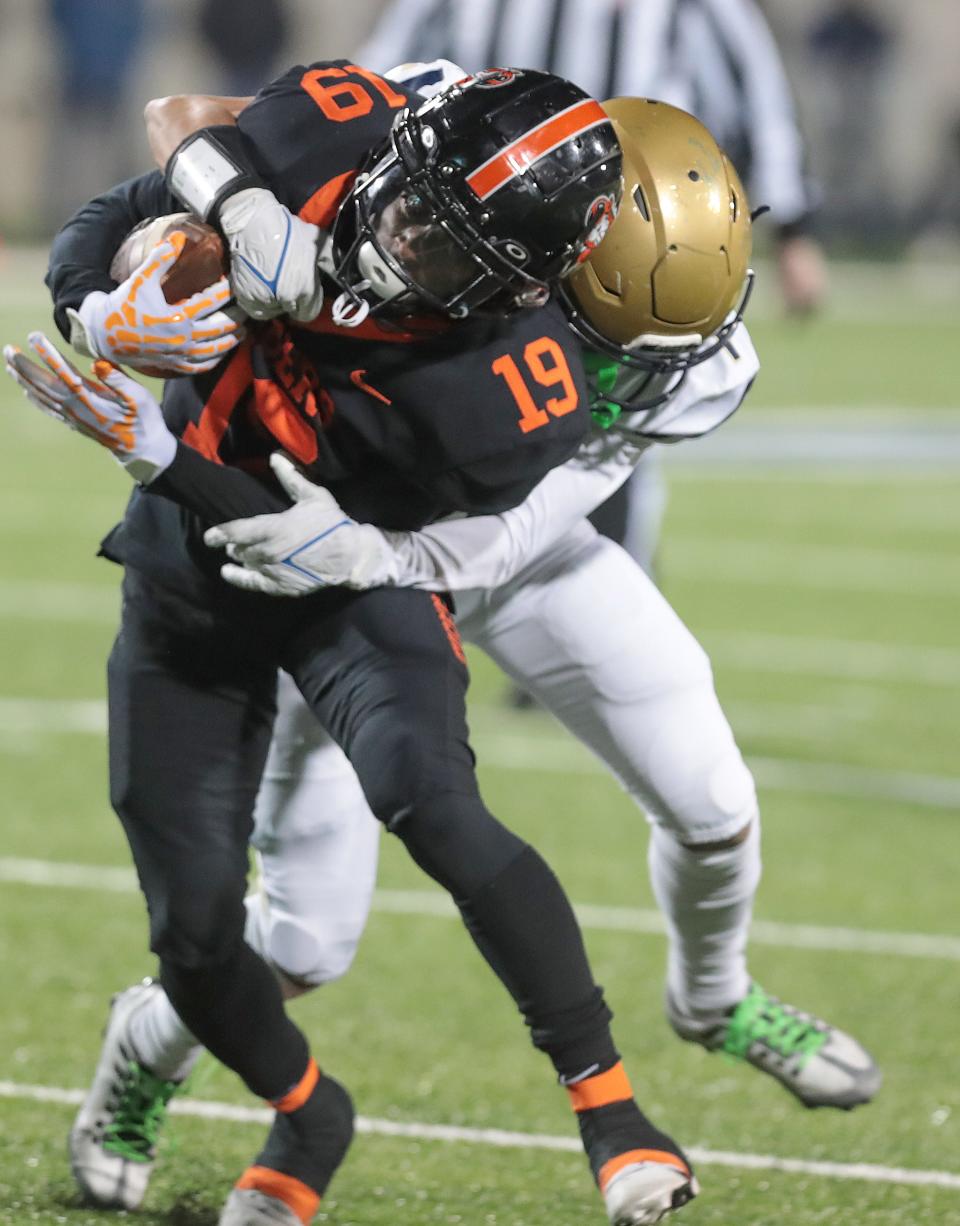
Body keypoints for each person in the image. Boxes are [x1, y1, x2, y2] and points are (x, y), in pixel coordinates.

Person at [10, 90, 879, 1221]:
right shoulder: (460, 174)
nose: (623, 368)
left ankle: (713, 998)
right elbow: (191, 135)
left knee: (713, 795)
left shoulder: (666, 354)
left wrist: (364, 546)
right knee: (304, 936)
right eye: (598, 331)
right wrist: (195, 237)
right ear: (556, 263)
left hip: (485, 551)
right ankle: (150, 1043)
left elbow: (510, 526)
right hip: (324, 543)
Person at [357, 0, 826, 582]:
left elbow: (754, 87)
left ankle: (572, 590)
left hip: (628, 248)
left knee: (611, 420)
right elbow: (381, 75)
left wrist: (794, 228)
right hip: (478, 241)